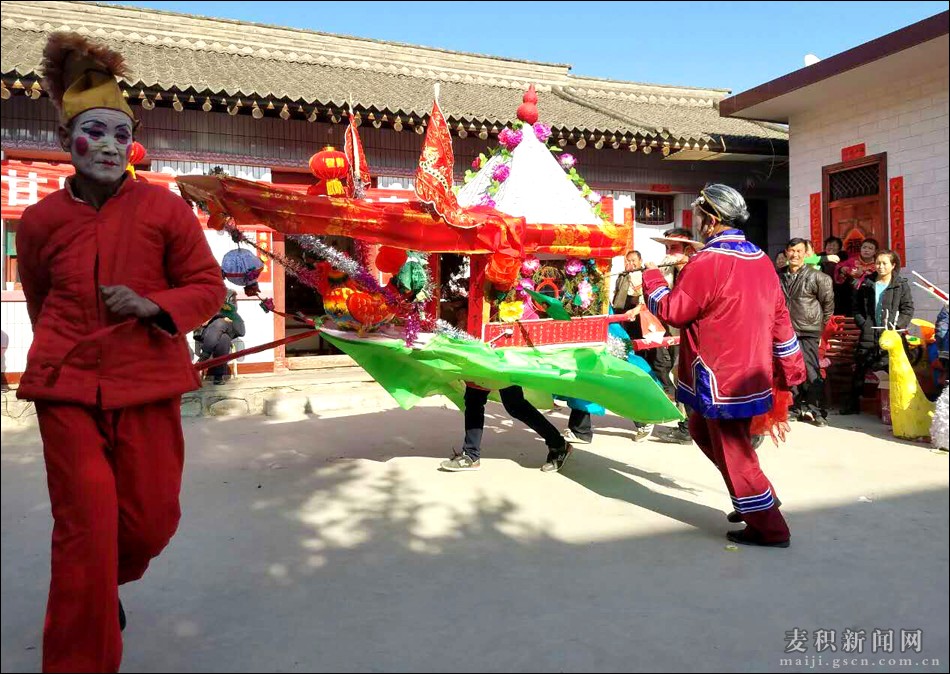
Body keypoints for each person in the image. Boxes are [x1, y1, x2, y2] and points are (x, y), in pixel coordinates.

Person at [15, 33, 225, 672]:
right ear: (65, 141)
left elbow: (207, 287)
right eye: (92, 132)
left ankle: (101, 584)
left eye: (119, 134)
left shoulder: (165, 210)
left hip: (148, 382)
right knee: (84, 528)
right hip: (66, 389)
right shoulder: (40, 222)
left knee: (149, 521)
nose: (107, 145)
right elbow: (40, 299)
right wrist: (59, 357)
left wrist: (152, 305)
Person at [641, 184, 806, 548]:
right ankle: (755, 497)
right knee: (701, 430)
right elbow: (780, 316)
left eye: (700, 215)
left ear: (712, 219)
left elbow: (673, 311)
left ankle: (770, 527)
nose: (697, 222)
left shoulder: (707, 261)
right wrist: (790, 364)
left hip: (719, 376)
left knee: (734, 452)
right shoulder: (760, 258)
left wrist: (651, 277)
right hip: (750, 371)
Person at [644, 228, 703, 445]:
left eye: (674, 248)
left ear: (688, 249)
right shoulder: (669, 272)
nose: (669, 252)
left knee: (688, 378)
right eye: (667, 248)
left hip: (699, 336)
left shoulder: (697, 272)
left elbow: (676, 308)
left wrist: (652, 277)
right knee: (680, 377)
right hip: (678, 333)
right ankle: (690, 426)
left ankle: (692, 428)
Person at [841, 249, 915, 415]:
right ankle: (853, 405)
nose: (880, 266)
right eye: (878, 263)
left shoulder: (900, 284)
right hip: (869, 331)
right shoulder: (867, 283)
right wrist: (864, 324)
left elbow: (908, 308)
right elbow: (856, 308)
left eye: (884, 263)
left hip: (891, 335)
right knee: (860, 368)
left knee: (894, 369)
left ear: (893, 265)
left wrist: (896, 327)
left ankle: (900, 407)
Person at [441, 385, 574, 473]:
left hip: (501, 356)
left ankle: (558, 444)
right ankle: (470, 455)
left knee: (515, 405)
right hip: (479, 356)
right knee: (473, 400)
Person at [779, 238, 835, 426]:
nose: (795, 255)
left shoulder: (818, 277)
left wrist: (820, 329)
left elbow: (828, 306)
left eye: (799, 251)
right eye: (792, 250)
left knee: (811, 371)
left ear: (806, 254)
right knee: (788, 370)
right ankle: (793, 408)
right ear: (786, 252)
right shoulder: (779, 276)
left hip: (808, 330)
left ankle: (816, 410)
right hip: (785, 331)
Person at [195, 290, 246, 384]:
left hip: (225, 329)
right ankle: (218, 376)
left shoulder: (230, 300)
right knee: (223, 337)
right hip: (207, 333)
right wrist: (218, 316)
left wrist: (219, 316)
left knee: (221, 325)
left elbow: (240, 329)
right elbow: (199, 321)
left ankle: (204, 356)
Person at [834, 238, 879, 313]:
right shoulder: (852, 261)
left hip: (871, 295)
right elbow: (838, 267)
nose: (866, 250)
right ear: (860, 249)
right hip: (850, 296)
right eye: (864, 247)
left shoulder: (878, 264)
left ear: (875, 251)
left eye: (870, 248)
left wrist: (862, 276)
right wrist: (843, 269)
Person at [612, 250, 644, 340]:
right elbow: (617, 291)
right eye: (628, 261)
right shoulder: (623, 275)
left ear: (640, 261)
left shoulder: (644, 274)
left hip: (638, 310)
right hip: (623, 308)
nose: (631, 263)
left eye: (633, 260)